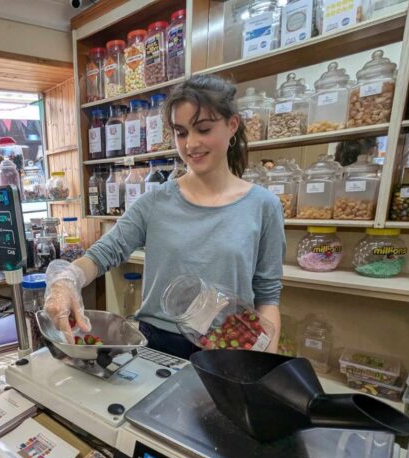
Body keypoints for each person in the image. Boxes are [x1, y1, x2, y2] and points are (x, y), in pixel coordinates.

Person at [45, 75, 286, 358]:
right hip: (158, 345)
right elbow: (104, 253)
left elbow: (268, 296)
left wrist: (264, 360)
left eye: (204, 129)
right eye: (181, 132)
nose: (191, 144)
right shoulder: (155, 201)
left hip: (229, 344)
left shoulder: (264, 205)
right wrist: (67, 279)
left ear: (232, 125)